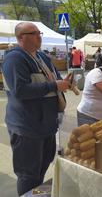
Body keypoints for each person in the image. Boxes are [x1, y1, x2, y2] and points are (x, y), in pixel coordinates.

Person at [2, 22, 71, 196]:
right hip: (27, 127)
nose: (38, 36)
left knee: (42, 167)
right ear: (20, 38)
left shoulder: (41, 56)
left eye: (38, 32)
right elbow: (20, 90)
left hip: (46, 124)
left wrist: (65, 82)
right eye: (33, 33)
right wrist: (54, 86)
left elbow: (55, 79)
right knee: (29, 173)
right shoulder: (15, 58)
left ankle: (36, 194)